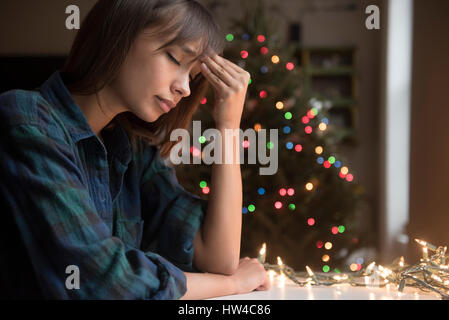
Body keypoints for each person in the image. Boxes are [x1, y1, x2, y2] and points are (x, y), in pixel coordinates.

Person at [0, 0, 269, 299]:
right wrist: (232, 285)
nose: (186, 88)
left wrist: (228, 128)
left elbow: (218, 257)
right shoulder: (26, 120)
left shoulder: (132, 148)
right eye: (174, 57)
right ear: (118, 34)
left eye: (192, 75)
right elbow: (101, 280)